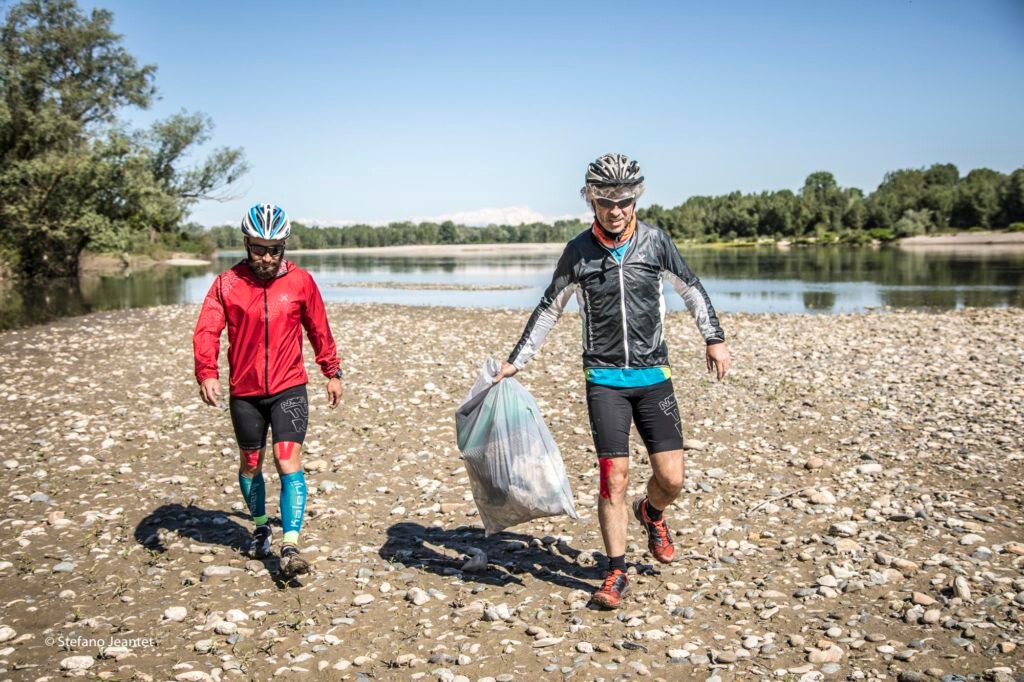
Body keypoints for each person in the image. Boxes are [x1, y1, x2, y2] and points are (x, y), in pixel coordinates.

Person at [495, 154, 731, 609]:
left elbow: (692, 288)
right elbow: (550, 307)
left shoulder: (656, 242)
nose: (615, 210)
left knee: (672, 478)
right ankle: (616, 570)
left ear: (635, 199)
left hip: (654, 376)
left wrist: (714, 339)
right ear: (591, 199)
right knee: (613, 479)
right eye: (605, 201)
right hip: (604, 380)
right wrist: (516, 362)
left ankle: (653, 512)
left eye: (624, 201)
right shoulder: (579, 251)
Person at [192, 203, 343, 579]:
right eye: (260, 248)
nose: (267, 256)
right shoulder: (226, 284)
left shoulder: (301, 282)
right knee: (250, 464)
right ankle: (261, 526)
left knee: (287, 460)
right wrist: (206, 372)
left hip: (289, 388)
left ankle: (290, 544)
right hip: (243, 392)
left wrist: (332, 370)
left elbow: (318, 328)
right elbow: (207, 330)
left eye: (275, 249)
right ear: (246, 243)